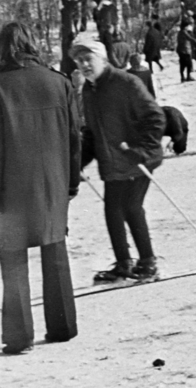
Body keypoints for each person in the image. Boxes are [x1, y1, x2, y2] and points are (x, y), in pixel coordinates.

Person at [0, 22, 80, 355]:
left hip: (10, 187)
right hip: (53, 183)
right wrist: (71, 183)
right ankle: (63, 327)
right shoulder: (59, 82)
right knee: (55, 251)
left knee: (12, 259)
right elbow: (75, 138)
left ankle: (19, 336)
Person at [71, 33, 164, 282]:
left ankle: (148, 263)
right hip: (112, 162)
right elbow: (92, 133)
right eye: (79, 61)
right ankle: (124, 264)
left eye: (88, 59)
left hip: (137, 158)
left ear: (102, 59)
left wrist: (141, 150)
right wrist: (78, 163)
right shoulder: (89, 90)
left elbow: (155, 117)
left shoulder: (126, 82)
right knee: (112, 211)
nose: (84, 65)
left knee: (131, 207)